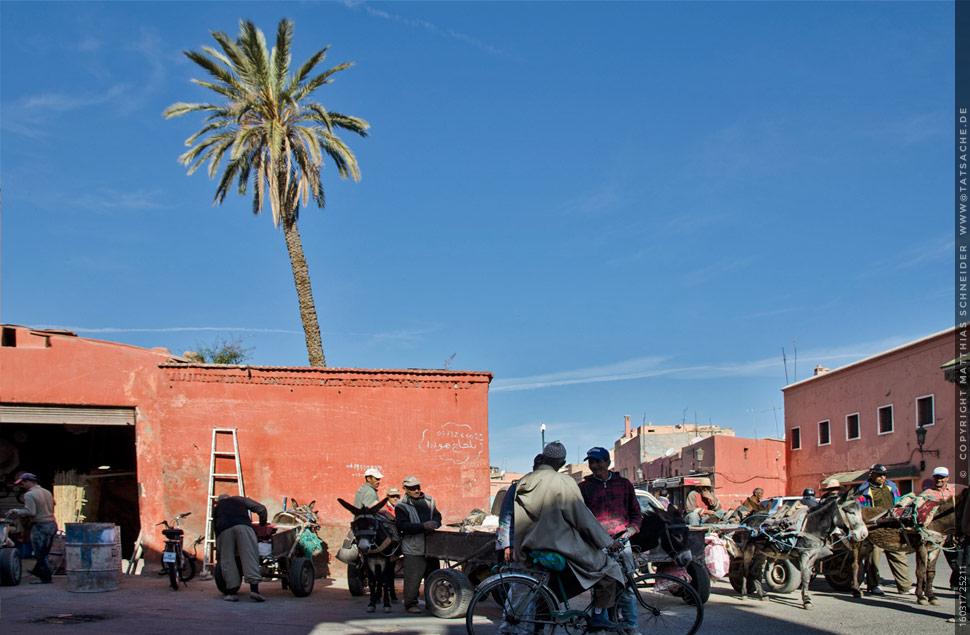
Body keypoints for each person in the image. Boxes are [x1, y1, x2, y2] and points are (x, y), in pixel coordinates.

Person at [513, 442, 624, 633]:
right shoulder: (563, 482)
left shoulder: (524, 482)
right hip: (560, 546)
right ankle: (598, 617)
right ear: (562, 462)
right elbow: (582, 518)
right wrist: (606, 541)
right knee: (609, 568)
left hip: (530, 547)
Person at [578, 446, 643, 631]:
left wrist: (630, 531)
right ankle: (599, 626)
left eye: (598, 461)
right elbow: (581, 518)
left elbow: (636, 514)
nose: (595, 465)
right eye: (591, 462)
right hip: (598, 545)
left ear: (608, 463)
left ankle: (630, 626)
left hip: (623, 542)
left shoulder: (624, 484)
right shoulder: (584, 488)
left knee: (627, 587)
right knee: (599, 588)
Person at [857, 463, 912, 596]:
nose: (882, 477)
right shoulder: (863, 490)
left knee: (898, 554)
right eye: (879, 474)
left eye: (883, 475)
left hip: (892, 524)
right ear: (871, 474)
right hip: (875, 526)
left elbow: (898, 502)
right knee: (873, 556)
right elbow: (860, 509)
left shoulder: (891, 486)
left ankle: (905, 586)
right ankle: (874, 584)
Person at [395, 476, 441, 614]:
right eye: (412, 488)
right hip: (413, 546)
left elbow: (438, 516)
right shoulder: (401, 505)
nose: (416, 490)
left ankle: (432, 602)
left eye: (417, 487)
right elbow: (402, 526)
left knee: (432, 576)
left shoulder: (429, 500)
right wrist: (423, 526)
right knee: (413, 578)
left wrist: (435, 523)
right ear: (405, 489)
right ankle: (410, 604)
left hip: (431, 545)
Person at [214, 493, 268, 602]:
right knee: (250, 556)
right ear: (228, 497)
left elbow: (215, 528)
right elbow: (261, 509)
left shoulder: (216, 508)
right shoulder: (238, 499)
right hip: (243, 527)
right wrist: (263, 524)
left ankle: (232, 594)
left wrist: (219, 551)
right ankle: (254, 591)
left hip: (224, 531)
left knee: (228, 560)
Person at [6, 473, 57, 584]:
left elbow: (30, 512)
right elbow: (54, 503)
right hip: (51, 524)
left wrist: (15, 511)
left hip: (40, 525)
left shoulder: (29, 495)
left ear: (29, 481)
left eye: (23, 483)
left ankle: (45, 578)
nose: (22, 486)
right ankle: (38, 571)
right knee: (44, 551)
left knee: (40, 554)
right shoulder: (46, 492)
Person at [496, 454, 543, 561]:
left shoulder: (549, 487)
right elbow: (505, 518)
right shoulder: (517, 488)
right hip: (519, 546)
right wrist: (507, 545)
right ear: (534, 468)